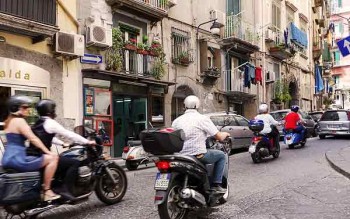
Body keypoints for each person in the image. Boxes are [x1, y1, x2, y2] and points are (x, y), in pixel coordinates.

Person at [27, 99, 95, 199]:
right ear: (50, 111)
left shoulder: (38, 123)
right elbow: (68, 134)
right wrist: (87, 141)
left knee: (62, 162)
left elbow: (48, 137)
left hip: (33, 155)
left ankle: (56, 185)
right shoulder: (50, 123)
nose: (55, 112)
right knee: (74, 163)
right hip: (42, 156)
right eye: (54, 109)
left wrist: (62, 143)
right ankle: (65, 189)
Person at [2, 96, 60, 201]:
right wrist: (47, 152)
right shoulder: (19, 121)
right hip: (18, 159)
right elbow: (33, 139)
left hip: (8, 158)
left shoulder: (8, 122)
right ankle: (47, 191)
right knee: (53, 158)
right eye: (24, 107)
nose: (27, 109)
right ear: (15, 108)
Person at [172, 95, 230, 193]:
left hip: (180, 155)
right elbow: (219, 137)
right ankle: (216, 184)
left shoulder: (176, 121)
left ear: (184, 106)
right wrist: (226, 133)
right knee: (221, 155)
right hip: (197, 155)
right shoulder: (202, 118)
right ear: (197, 105)